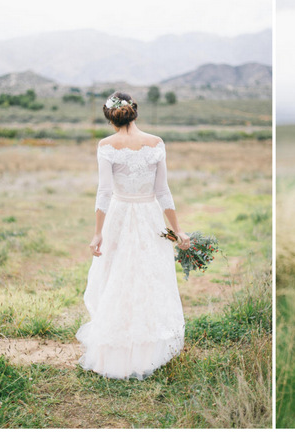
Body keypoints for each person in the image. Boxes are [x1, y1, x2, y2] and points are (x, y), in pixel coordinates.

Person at [76, 91, 189, 380]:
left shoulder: (106, 145)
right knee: (149, 279)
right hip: (150, 218)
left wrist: (97, 233)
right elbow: (163, 192)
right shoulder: (156, 144)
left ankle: (114, 354)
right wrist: (178, 230)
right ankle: (146, 351)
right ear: (134, 112)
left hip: (119, 217)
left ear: (111, 119)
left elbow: (104, 192)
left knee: (116, 278)